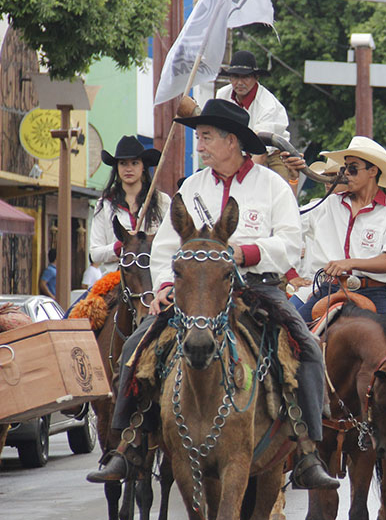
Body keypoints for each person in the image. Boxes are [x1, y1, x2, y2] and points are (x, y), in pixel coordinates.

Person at [87, 99, 339, 490]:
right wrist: (166, 287)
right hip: (197, 294)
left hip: (258, 288)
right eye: (199, 137)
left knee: (306, 345)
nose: (199, 145)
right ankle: (129, 443)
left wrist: (243, 253)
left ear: (232, 141)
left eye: (205, 137)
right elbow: (167, 248)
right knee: (136, 345)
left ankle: (307, 450)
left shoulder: (272, 186)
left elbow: (291, 243)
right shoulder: (191, 187)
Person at [286, 136, 386, 469]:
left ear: (372, 172)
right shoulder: (327, 203)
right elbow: (290, 218)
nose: (345, 174)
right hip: (327, 291)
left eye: (352, 168)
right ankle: (288, 429)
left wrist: (351, 263)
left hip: (374, 293)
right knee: (283, 338)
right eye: (344, 168)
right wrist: (295, 179)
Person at [89, 135, 170, 274]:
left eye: (134, 163)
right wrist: (121, 246)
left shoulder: (162, 201)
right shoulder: (105, 204)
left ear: (143, 167)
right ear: (117, 167)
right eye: (123, 163)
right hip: (115, 279)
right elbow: (95, 253)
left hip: (153, 277)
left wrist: (145, 243)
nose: (128, 169)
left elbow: (171, 243)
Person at [217, 50, 293, 183]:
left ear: (256, 78)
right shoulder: (222, 95)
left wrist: (243, 181)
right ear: (230, 78)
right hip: (234, 152)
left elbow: (261, 154)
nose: (240, 82)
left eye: (245, 77)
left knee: (281, 189)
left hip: (271, 154)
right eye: (235, 76)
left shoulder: (268, 105)